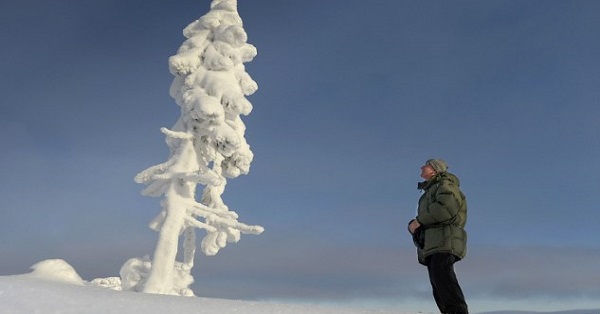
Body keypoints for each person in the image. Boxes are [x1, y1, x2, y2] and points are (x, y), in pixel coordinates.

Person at [408, 159, 469, 314]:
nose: (422, 166)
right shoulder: (431, 190)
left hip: (444, 239)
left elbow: (445, 209)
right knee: (438, 284)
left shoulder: (445, 185)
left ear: (435, 170)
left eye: (426, 165)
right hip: (434, 242)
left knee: (444, 280)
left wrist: (418, 221)